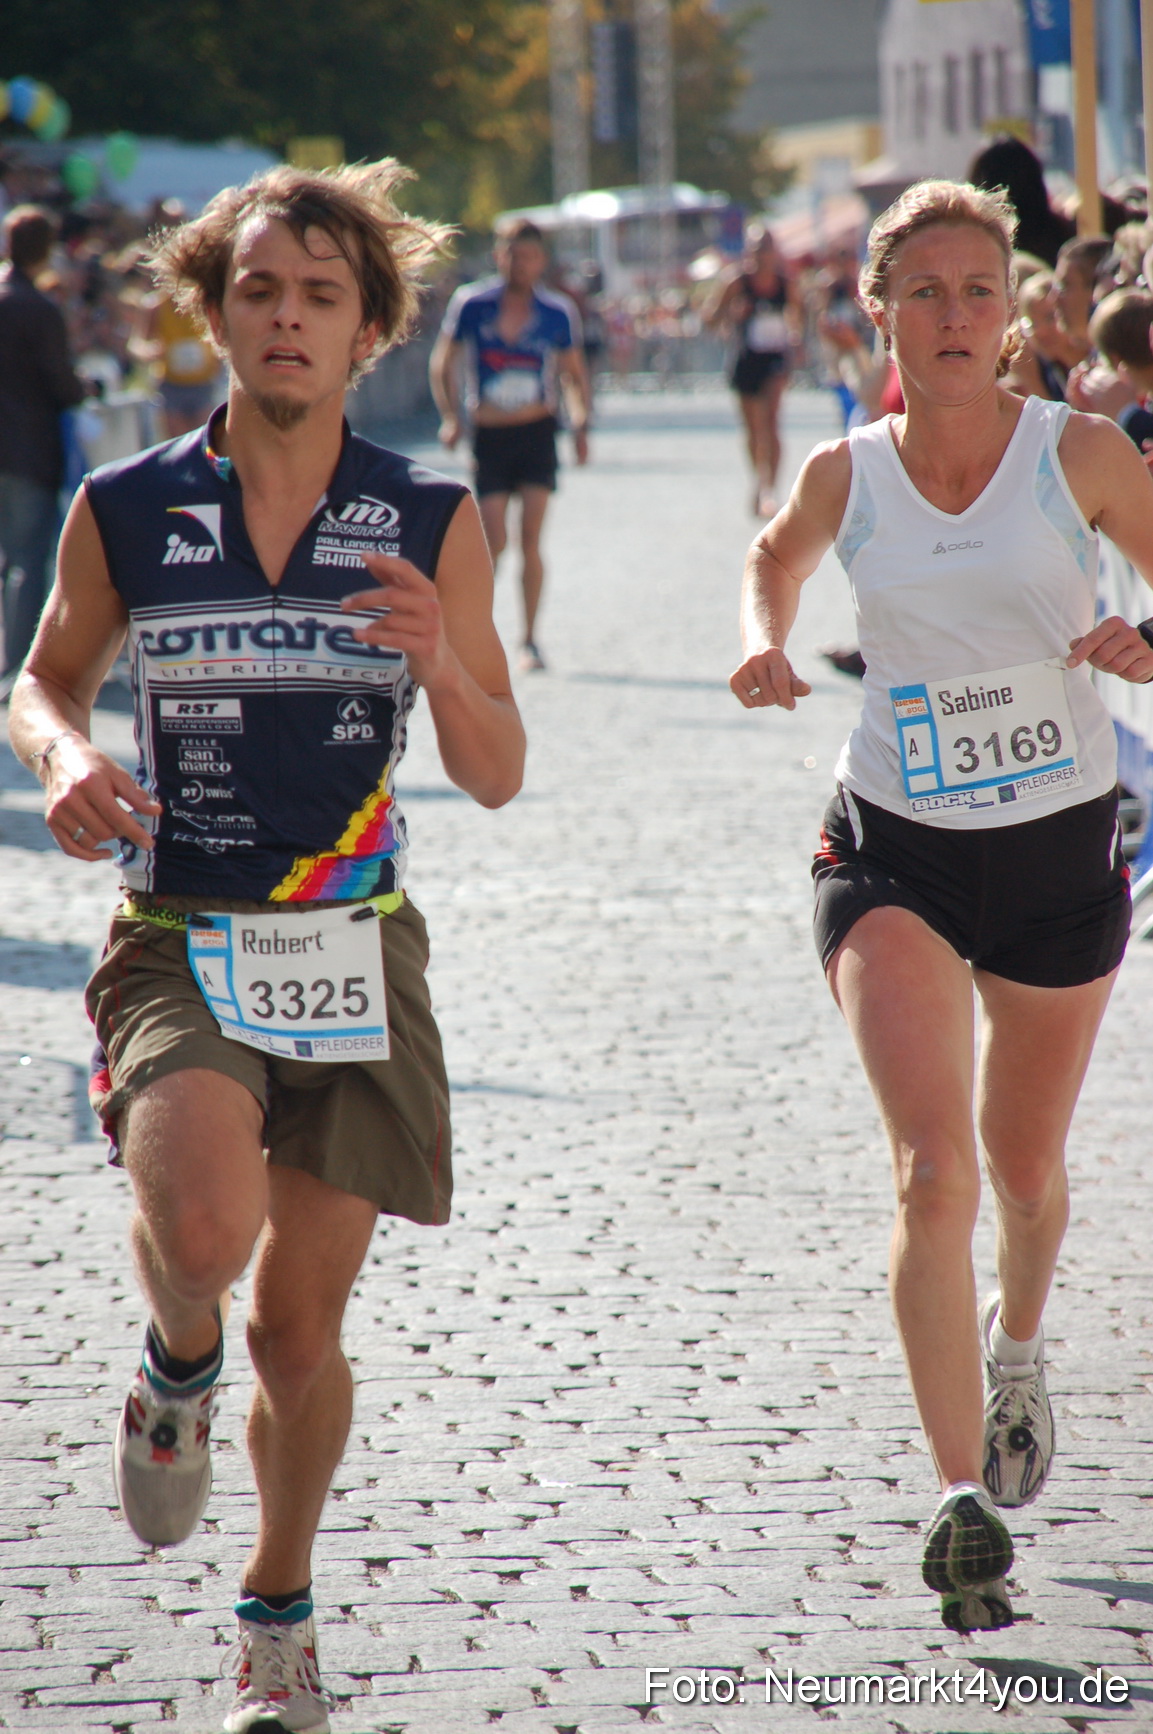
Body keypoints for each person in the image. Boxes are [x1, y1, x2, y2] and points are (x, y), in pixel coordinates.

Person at [8, 160, 525, 1734]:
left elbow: (499, 764)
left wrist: (442, 664)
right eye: (258, 291)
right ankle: (174, 1359)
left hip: (350, 941)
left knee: (301, 1329)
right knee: (207, 1234)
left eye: (319, 296)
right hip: (178, 926)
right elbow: (41, 680)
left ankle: (277, 1606)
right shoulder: (129, 506)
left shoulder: (428, 512)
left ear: (369, 328)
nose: (286, 319)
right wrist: (61, 762)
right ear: (212, 309)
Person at [730, 179, 1153, 1634]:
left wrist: (1143, 633)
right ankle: (962, 1493)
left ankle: (1017, 1346)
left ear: (1013, 311)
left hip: (1055, 851)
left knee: (1022, 1170)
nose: (954, 315)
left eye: (979, 289)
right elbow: (770, 559)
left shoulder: (1079, 454)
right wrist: (762, 641)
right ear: (878, 310)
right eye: (924, 291)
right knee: (931, 1171)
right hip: (891, 845)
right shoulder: (850, 471)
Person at [430, 218, 590, 673]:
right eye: (513, 254)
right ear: (499, 255)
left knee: (532, 538)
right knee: (493, 537)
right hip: (491, 435)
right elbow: (443, 362)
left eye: (530, 255)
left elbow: (574, 375)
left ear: (541, 260)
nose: (521, 264)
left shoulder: (557, 312)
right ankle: (473, 632)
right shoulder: (472, 305)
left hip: (537, 431)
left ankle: (530, 640)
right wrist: (450, 416)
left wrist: (580, 424)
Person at [0, 204, 86, 701]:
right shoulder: (37, 307)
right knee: (28, 558)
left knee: (13, 555)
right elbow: (62, 383)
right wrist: (84, 388)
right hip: (28, 449)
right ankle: (17, 668)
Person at [704, 224, 802, 518]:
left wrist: (795, 339)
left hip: (775, 356)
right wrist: (733, 315)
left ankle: (771, 489)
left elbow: (797, 316)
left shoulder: (786, 283)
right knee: (753, 428)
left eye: (768, 248)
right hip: (746, 358)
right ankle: (757, 482)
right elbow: (710, 318)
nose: (763, 255)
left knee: (772, 421)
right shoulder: (736, 282)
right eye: (758, 249)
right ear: (749, 252)